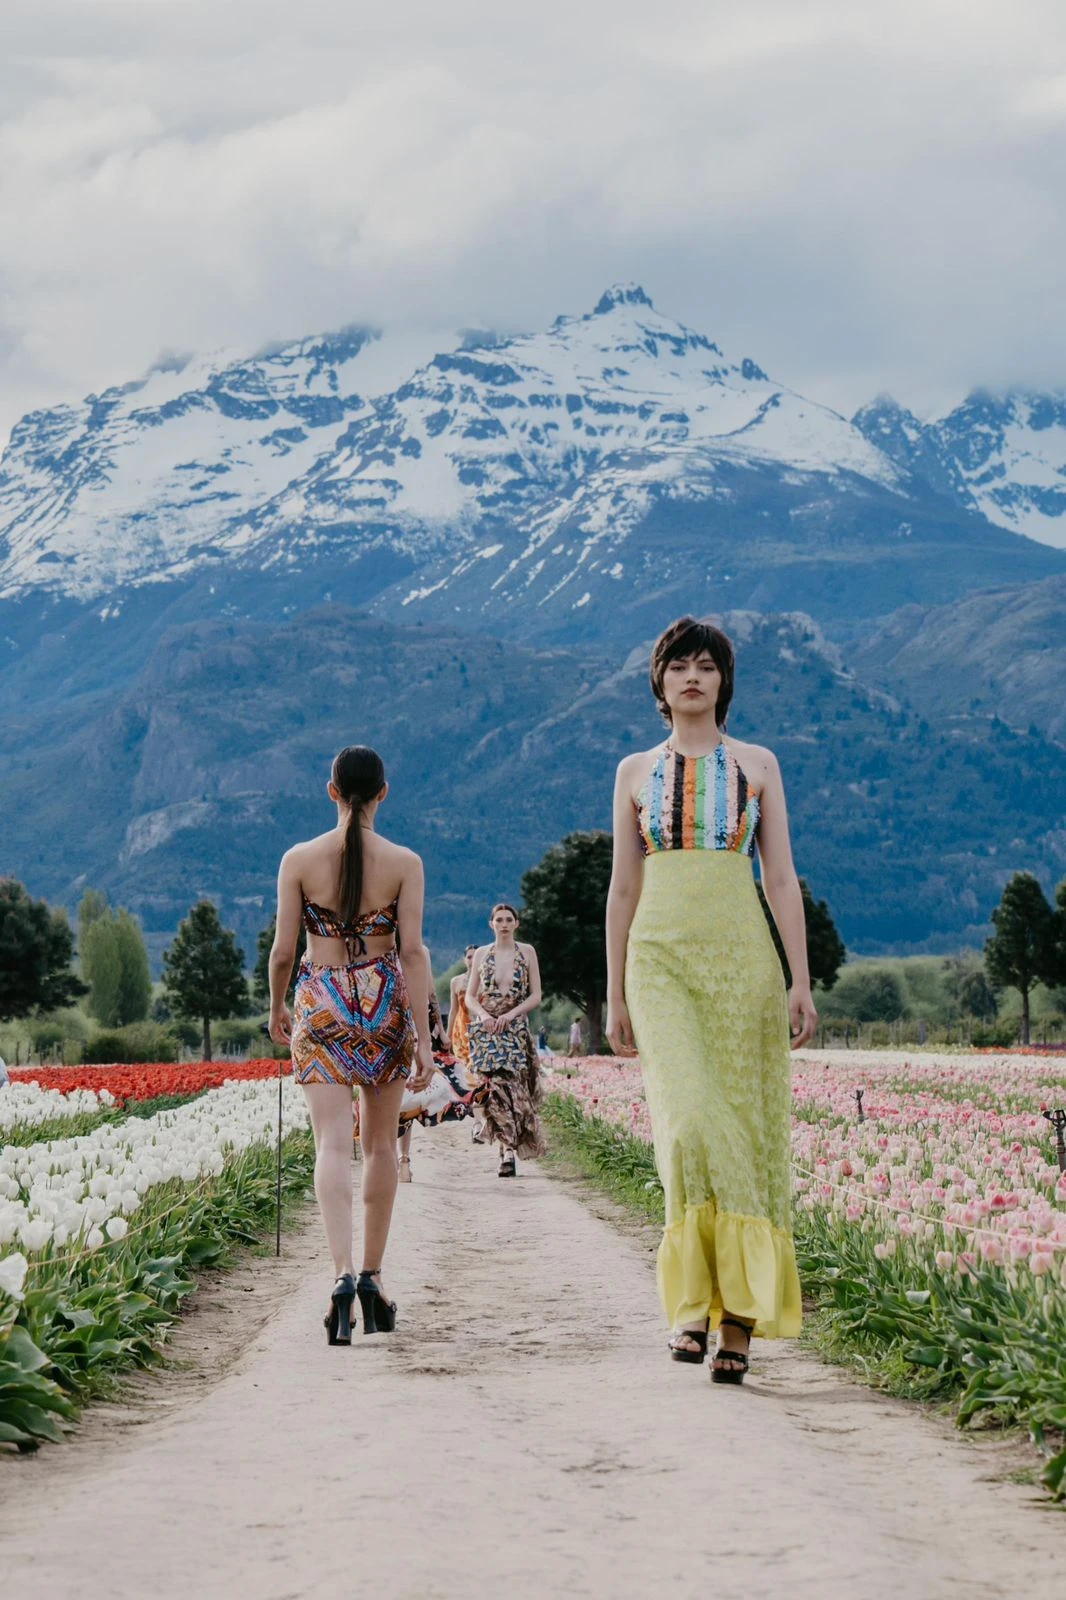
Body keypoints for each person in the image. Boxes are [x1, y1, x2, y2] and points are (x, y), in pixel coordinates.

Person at [605, 616, 816, 1385]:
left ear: (724, 681)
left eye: (706, 666)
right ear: (659, 684)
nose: (692, 677)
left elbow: (782, 878)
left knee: (746, 1131)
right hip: (658, 958)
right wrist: (613, 991)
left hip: (742, 963)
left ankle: (734, 1322)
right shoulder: (633, 771)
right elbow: (622, 886)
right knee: (688, 1122)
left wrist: (800, 977)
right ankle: (689, 1300)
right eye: (678, 667)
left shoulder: (757, 764)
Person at [269, 744, 434, 1345]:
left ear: (331, 790)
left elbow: (285, 951)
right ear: (383, 793)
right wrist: (422, 1037)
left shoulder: (299, 859)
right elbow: (412, 952)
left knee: (332, 1146)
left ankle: (339, 1275)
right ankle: (372, 1276)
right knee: (382, 1147)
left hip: (321, 1003)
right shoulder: (404, 862)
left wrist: (276, 1006)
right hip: (384, 1002)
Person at [466, 904, 545, 1177]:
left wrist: (511, 1015)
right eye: (498, 920)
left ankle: (508, 1148)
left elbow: (536, 995)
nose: (503, 924)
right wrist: (484, 1015)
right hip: (488, 1031)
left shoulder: (527, 952)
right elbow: (469, 996)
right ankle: (506, 1151)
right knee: (494, 1089)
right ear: (491, 924)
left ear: (516, 923)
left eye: (508, 919)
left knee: (515, 1089)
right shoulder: (481, 954)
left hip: (515, 1029)